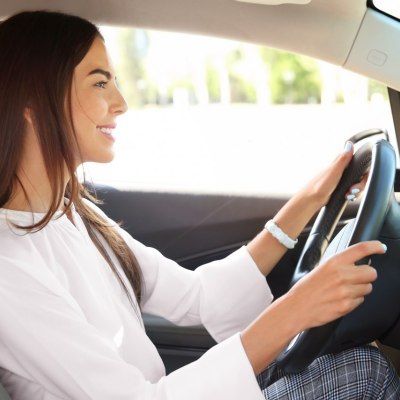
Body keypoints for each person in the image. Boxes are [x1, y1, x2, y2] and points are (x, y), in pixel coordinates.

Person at [0, 10, 398, 400]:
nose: (121, 102)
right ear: (33, 101)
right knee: (364, 372)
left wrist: (310, 201)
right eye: (100, 83)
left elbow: (197, 297)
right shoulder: (9, 270)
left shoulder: (75, 216)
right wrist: (295, 311)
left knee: (352, 360)